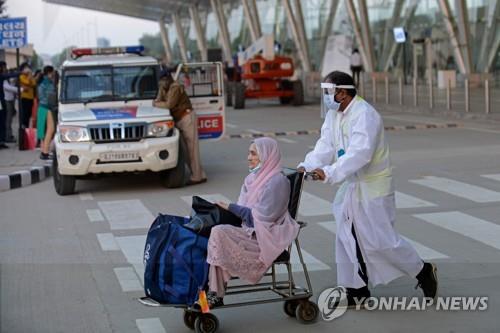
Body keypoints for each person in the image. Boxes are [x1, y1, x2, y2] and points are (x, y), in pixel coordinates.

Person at [297, 71, 438, 307]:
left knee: (382, 241)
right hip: (352, 185)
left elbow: (359, 154)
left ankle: (423, 270)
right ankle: (356, 290)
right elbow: (325, 145)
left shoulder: (365, 115)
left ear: (342, 92)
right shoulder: (334, 115)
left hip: (374, 186)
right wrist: (307, 166)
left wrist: (329, 172)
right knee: (346, 237)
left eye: (328, 92)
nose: (325, 97)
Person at [205, 137, 300, 307]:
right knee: (209, 232)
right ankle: (210, 290)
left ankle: (214, 293)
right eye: (249, 153)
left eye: (254, 153)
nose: (249, 157)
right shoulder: (251, 179)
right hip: (247, 232)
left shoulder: (278, 182)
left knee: (219, 233)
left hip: (263, 239)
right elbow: (243, 213)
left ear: (267, 156)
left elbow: (261, 218)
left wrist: (229, 207)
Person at [153, 71, 207, 185]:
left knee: (192, 149)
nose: (162, 82)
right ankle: (200, 174)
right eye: (161, 81)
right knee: (186, 150)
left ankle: (197, 177)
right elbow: (160, 99)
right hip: (179, 119)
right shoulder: (165, 88)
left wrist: (155, 103)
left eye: (164, 80)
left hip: (186, 117)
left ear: (168, 79)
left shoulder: (175, 87)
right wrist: (161, 91)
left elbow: (168, 105)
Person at [37, 66, 57, 160]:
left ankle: (43, 152)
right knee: (51, 129)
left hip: (41, 107)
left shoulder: (41, 81)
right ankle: (45, 152)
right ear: (49, 72)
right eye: (52, 72)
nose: (53, 74)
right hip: (47, 107)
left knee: (42, 132)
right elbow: (51, 97)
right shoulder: (48, 83)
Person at [0, 61, 19, 148]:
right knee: (2, 120)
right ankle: (2, 140)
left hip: (3, 100)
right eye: (4, 67)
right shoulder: (2, 76)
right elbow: (8, 76)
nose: (5, 69)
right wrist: (19, 72)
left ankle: (2, 140)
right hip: (1, 101)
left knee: (3, 120)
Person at [19, 63, 37, 129]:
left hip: (31, 98)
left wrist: (30, 76)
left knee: (29, 114)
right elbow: (28, 82)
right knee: (25, 115)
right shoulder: (21, 77)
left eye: (28, 68)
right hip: (25, 98)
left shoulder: (29, 76)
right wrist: (29, 75)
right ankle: (24, 128)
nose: (28, 69)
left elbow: (34, 83)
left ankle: (26, 128)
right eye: (26, 68)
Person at [3, 77, 19, 143]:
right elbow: (7, 87)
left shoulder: (8, 80)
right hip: (6, 100)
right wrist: (19, 89)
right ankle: (8, 136)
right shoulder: (4, 80)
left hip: (10, 100)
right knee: (8, 119)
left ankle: (9, 134)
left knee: (10, 119)